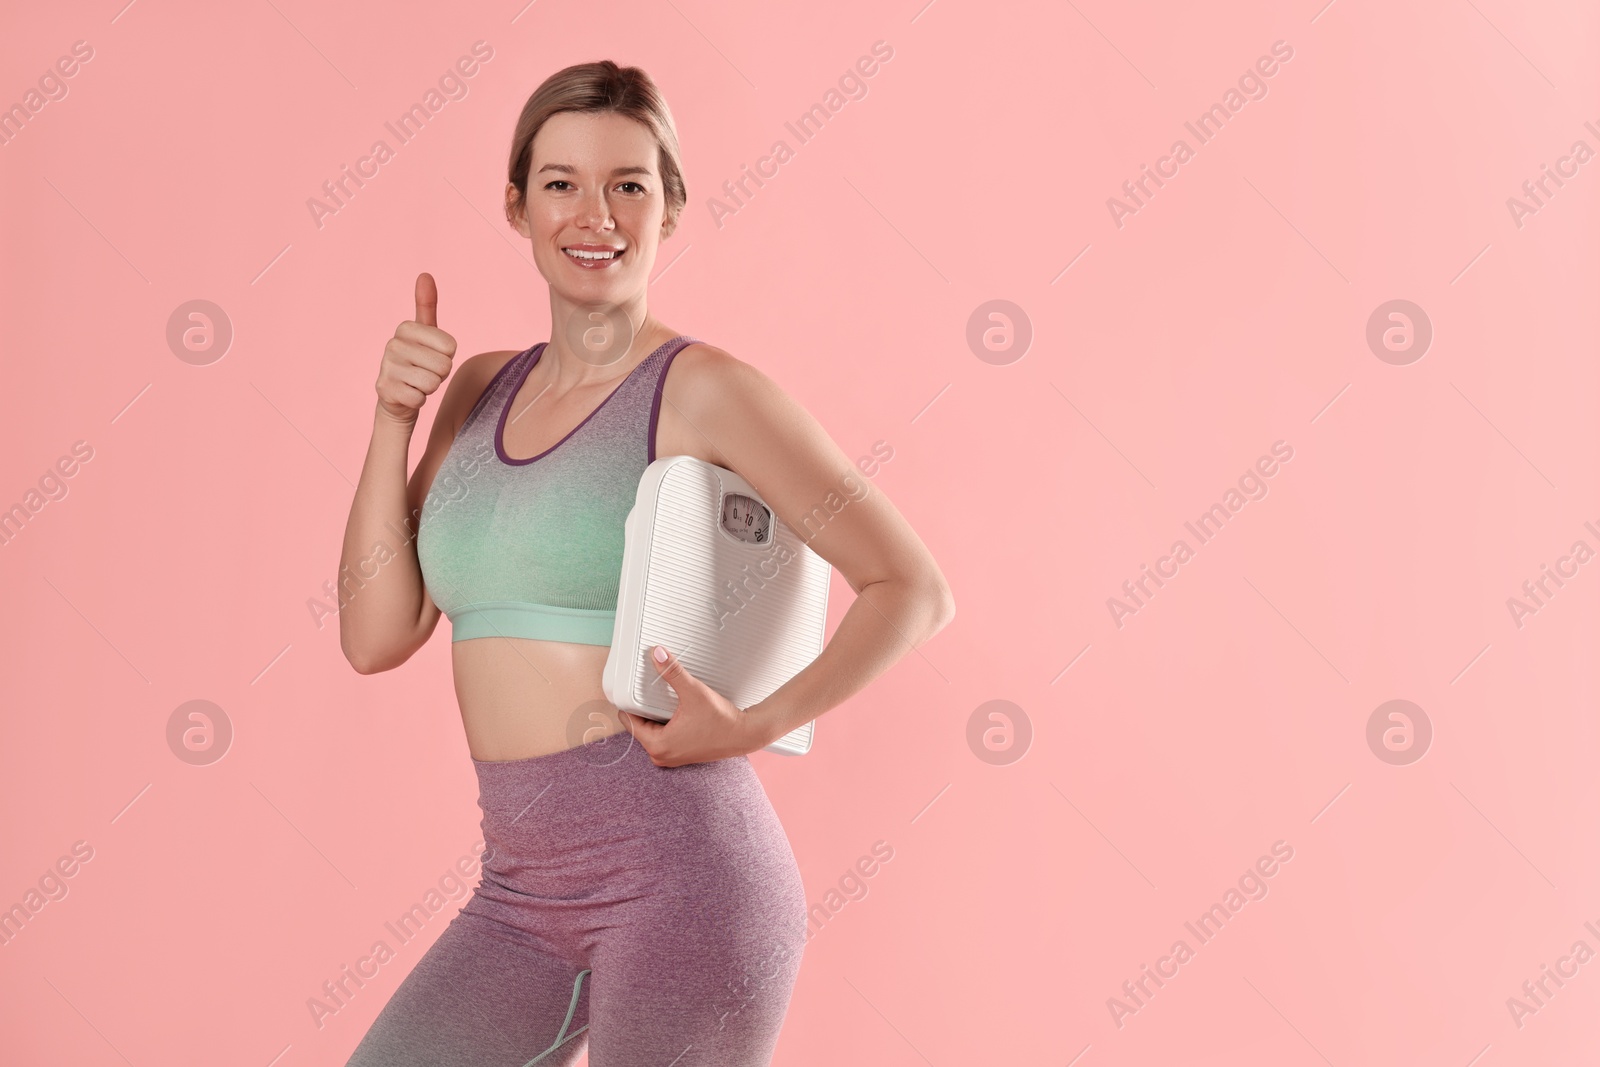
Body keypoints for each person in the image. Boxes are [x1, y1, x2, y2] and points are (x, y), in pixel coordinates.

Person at [336, 59, 954, 1066]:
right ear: (516, 204)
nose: (597, 214)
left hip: (684, 881)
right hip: (517, 892)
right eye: (561, 183)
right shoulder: (478, 390)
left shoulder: (704, 390)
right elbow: (375, 633)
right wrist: (390, 420)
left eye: (630, 183)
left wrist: (755, 722)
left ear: (670, 206)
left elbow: (912, 587)